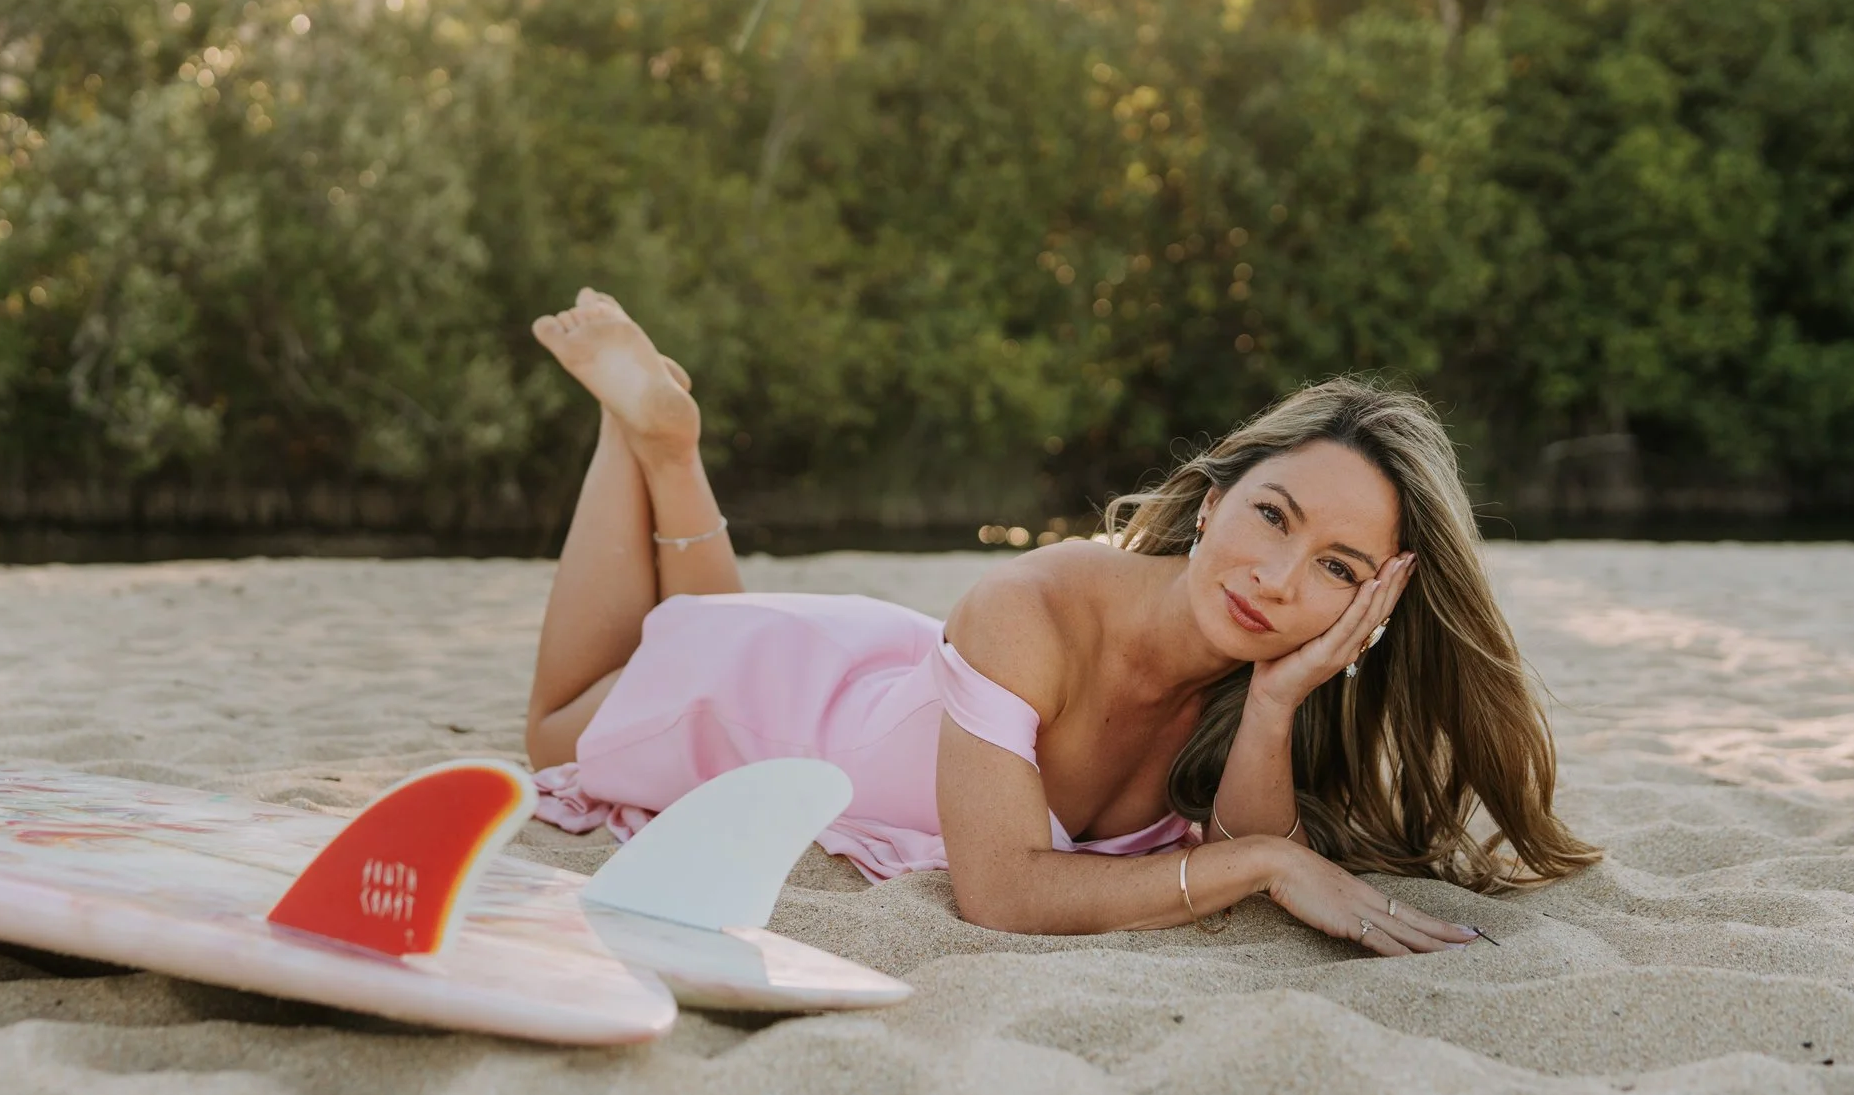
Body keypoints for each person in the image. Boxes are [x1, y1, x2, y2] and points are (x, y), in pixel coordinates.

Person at [523, 289, 1600, 955]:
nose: (1274, 578)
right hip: (780, 707)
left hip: (879, 686)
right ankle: (647, 438)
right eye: (1271, 513)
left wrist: (1274, 700)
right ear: (1213, 496)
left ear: (1377, 599)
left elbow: (1243, 839)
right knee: (556, 729)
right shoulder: (1031, 604)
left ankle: (669, 447)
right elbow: (999, 890)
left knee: (724, 619)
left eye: (1335, 565)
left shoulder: (1264, 682)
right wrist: (1265, 868)